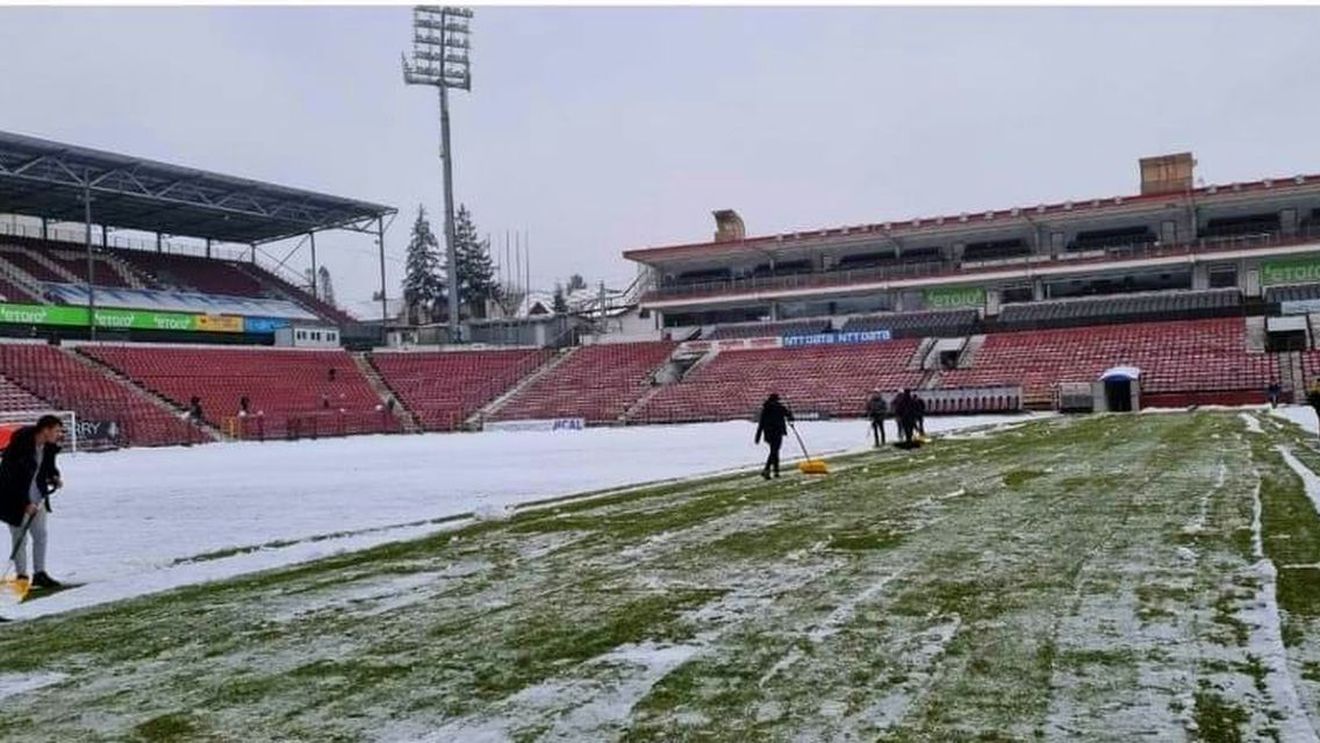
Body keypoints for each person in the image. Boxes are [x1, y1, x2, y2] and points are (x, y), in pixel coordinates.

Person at [0, 415, 65, 590]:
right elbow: (10, 479)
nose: (59, 434)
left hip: (38, 498)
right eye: (57, 430)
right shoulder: (20, 448)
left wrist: (54, 477)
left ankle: (40, 573)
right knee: (20, 538)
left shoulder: (48, 447)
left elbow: (48, 467)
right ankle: (21, 576)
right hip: (15, 500)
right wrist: (24, 502)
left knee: (41, 535)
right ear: (46, 429)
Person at [755, 393, 794, 480]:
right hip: (777, 432)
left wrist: (758, 436)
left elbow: (761, 423)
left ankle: (776, 471)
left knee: (774, 451)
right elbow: (789, 416)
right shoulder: (780, 407)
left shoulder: (765, 408)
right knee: (774, 451)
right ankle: (767, 469)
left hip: (768, 433)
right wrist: (790, 414)